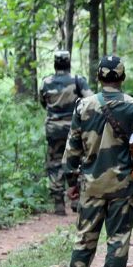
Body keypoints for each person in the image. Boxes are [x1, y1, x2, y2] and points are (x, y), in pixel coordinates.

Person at [65, 55, 133, 267]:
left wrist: (71, 180)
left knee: (85, 237)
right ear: (122, 77)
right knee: (118, 239)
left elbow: (73, 147)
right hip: (122, 186)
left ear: (98, 77)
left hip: (91, 185)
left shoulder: (84, 106)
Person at [39, 50, 90, 215]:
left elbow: (43, 103)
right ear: (68, 63)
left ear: (55, 64)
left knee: (54, 163)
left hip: (53, 129)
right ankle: (76, 198)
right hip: (74, 128)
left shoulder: (46, 82)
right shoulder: (78, 80)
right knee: (77, 160)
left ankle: (58, 202)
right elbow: (90, 101)